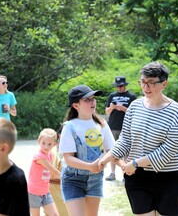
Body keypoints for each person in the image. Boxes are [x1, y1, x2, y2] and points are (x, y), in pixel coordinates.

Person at [98, 62, 178, 216]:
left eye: (151, 83)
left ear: (164, 83)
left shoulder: (175, 111)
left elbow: (169, 150)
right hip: (137, 176)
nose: (146, 87)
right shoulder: (135, 106)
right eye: (143, 82)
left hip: (169, 177)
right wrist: (105, 159)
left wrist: (135, 163)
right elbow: (125, 140)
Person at [59, 85, 115, 216]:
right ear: (75, 105)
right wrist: (90, 166)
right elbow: (68, 158)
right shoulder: (70, 126)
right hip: (73, 179)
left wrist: (123, 165)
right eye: (87, 100)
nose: (93, 102)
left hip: (96, 179)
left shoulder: (101, 124)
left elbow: (112, 150)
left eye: (93, 99)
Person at [105, 76, 137, 181]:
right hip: (113, 126)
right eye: (117, 86)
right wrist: (112, 107)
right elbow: (107, 112)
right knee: (112, 150)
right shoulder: (112, 96)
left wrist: (123, 109)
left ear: (125, 85)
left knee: (126, 151)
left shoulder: (132, 96)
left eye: (121, 86)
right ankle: (112, 173)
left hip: (127, 127)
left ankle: (125, 172)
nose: (119, 88)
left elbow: (135, 113)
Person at [28, 128, 60, 216]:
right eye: (43, 143)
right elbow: (53, 171)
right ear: (39, 141)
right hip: (34, 192)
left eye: (49, 144)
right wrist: (67, 178)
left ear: (54, 144)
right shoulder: (39, 156)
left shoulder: (49, 154)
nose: (46, 147)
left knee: (55, 214)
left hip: (45, 191)